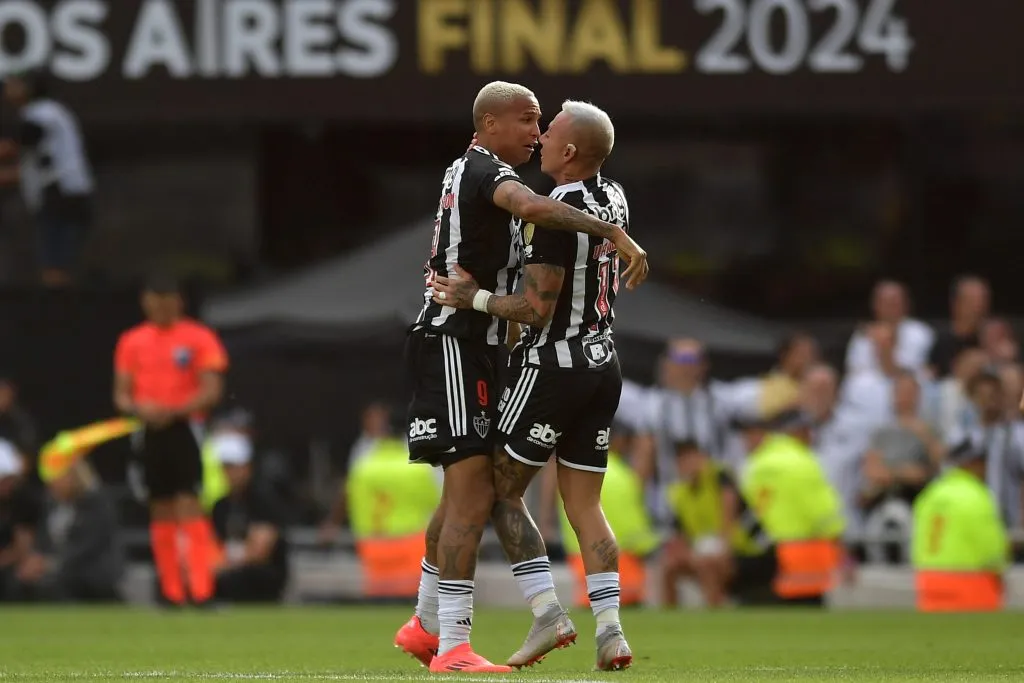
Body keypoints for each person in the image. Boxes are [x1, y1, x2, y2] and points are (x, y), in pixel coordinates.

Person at [395, 83, 649, 674]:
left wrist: (482, 302)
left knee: (484, 491)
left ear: (569, 150)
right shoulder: (590, 194)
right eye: (529, 121)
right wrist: (613, 233)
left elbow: (534, 303)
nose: (538, 135)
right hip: (499, 346)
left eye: (546, 126)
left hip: (526, 356)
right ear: (488, 122)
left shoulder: (550, 199)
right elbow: (531, 211)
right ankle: (453, 638)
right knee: (491, 493)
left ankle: (446, 625)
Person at [113, 273, 228, 607]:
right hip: (148, 430)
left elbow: (212, 390)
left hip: (185, 429)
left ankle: (202, 590)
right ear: (145, 302)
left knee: (189, 504)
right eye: (154, 300)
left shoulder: (199, 337)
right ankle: (171, 592)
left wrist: (174, 409)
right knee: (160, 508)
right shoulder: (132, 341)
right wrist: (141, 408)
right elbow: (121, 394)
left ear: (179, 301)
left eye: (167, 301)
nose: (160, 308)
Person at [741, 410, 846, 606]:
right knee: (809, 616)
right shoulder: (803, 461)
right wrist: (840, 543)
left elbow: (751, 509)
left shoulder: (756, 464)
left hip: (769, 552)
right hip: (806, 551)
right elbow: (823, 511)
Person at [0, 69, 95, 287]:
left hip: (62, 196)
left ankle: (58, 310)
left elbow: (16, 145)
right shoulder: (48, 114)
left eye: (13, 84)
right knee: (57, 263)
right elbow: (28, 168)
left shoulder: (43, 113)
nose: (7, 91)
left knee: (55, 265)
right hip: (64, 195)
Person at [661, 440, 773, 608]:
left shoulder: (720, 477)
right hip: (705, 550)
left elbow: (728, 517)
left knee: (708, 564)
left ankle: (715, 611)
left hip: (746, 550)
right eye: (682, 460)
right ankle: (669, 619)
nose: (688, 465)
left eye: (691, 458)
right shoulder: (679, 493)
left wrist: (721, 549)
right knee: (669, 567)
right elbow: (680, 534)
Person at [912, 439, 1008, 612]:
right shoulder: (977, 495)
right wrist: (999, 571)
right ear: (973, 464)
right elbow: (991, 547)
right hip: (971, 583)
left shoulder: (931, 493)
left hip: (929, 581)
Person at [347, 433, 441, 599]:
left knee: (377, 597)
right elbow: (437, 502)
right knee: (411, 599)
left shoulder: (362, 468)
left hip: (373, 544)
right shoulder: (420, 468)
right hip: (411, 543)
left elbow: (354, 504)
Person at [210, 438, 290, 603]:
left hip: (260, 574)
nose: (229, 473)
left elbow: (260, 551)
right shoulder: (220, 506)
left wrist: (224, 563)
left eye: (234, 467)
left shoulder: (263, 500)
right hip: (228, 567)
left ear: (248, 467)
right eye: (225, 467)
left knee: (237, 578)